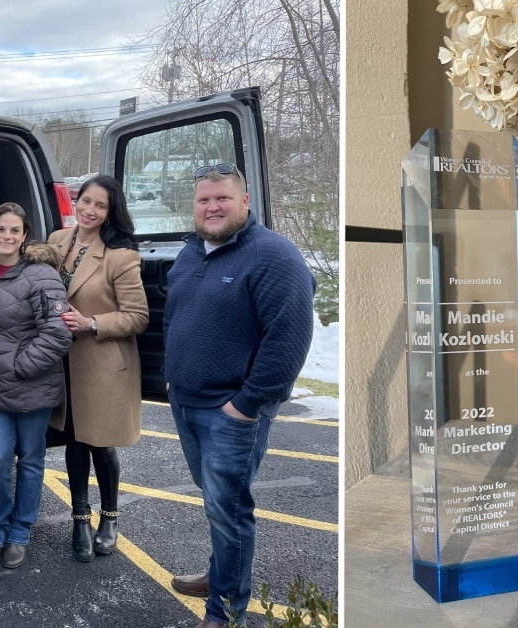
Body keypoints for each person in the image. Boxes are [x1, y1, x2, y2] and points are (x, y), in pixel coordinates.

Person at [164, 163, 315, 628]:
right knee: (215, 502)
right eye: (203, 200)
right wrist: (172, 377)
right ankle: (219, 575)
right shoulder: (190, 254)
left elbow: (288, 338)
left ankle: (225, 612)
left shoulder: (273, 256)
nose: (212, 207)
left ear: (245, 202)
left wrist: (246, 406)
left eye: (222, 198)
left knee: (229, 511)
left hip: (232, 412)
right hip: (187, 403)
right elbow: (175, 317)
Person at [0, 202, 71, 570]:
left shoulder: (41, 276)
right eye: (0, 230)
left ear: (24, 236)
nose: (6, 237)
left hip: (31, 385)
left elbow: (58, 334)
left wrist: (20, 367)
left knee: (31, 460)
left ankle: (20, 533)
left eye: (14, 231)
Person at [47, 175, 148, 562]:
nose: (88, 210)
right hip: (62, 362)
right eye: (85, 201)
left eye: (99, 205)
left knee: (100, 443)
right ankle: (78, 518)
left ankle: (109, 516)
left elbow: (137, 317)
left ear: (110, 212)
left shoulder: (121, 255)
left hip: (103, 365)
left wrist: (91, 323)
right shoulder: (59, 240)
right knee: (74, 440)